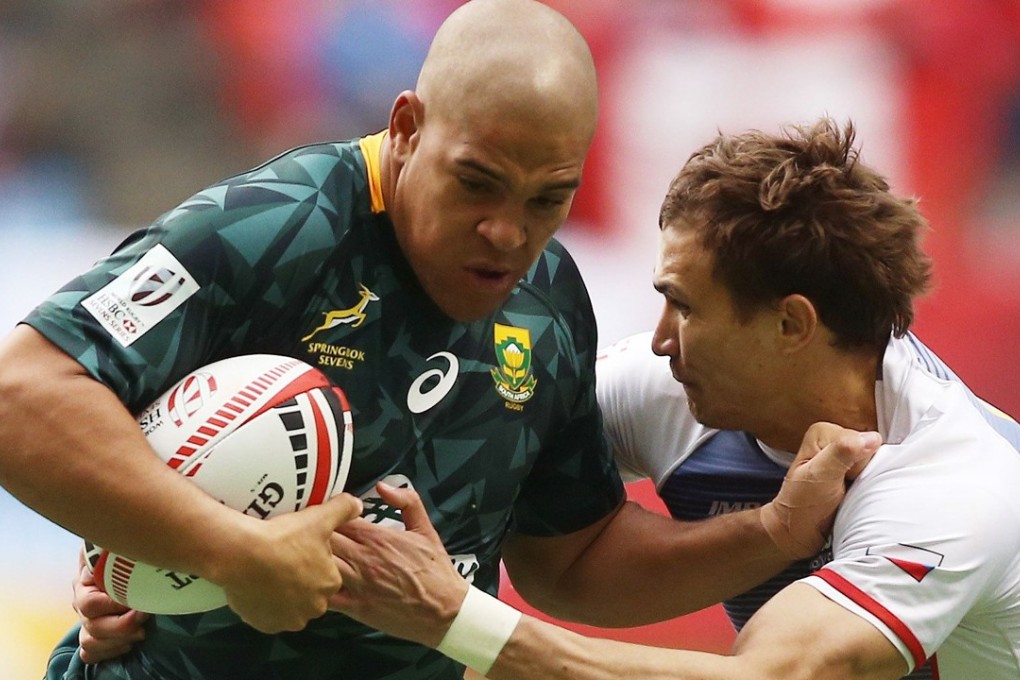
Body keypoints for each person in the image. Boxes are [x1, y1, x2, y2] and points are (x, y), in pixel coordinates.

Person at [0, 2, 869, 679]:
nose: (505, 233)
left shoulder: (552, 301)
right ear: (408, 127)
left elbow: (569, 560)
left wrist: (772, 533)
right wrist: (227, 551)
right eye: (476, 183)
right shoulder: (276, 229)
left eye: (546, 198)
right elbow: (22, 398)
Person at [318, 117, 1020, 679]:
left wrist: (453, 618)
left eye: (682, 307)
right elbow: (496, 454)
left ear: (791, 324)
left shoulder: (950, 487)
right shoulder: (680, 388)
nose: (658, 342)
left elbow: (773, 676)